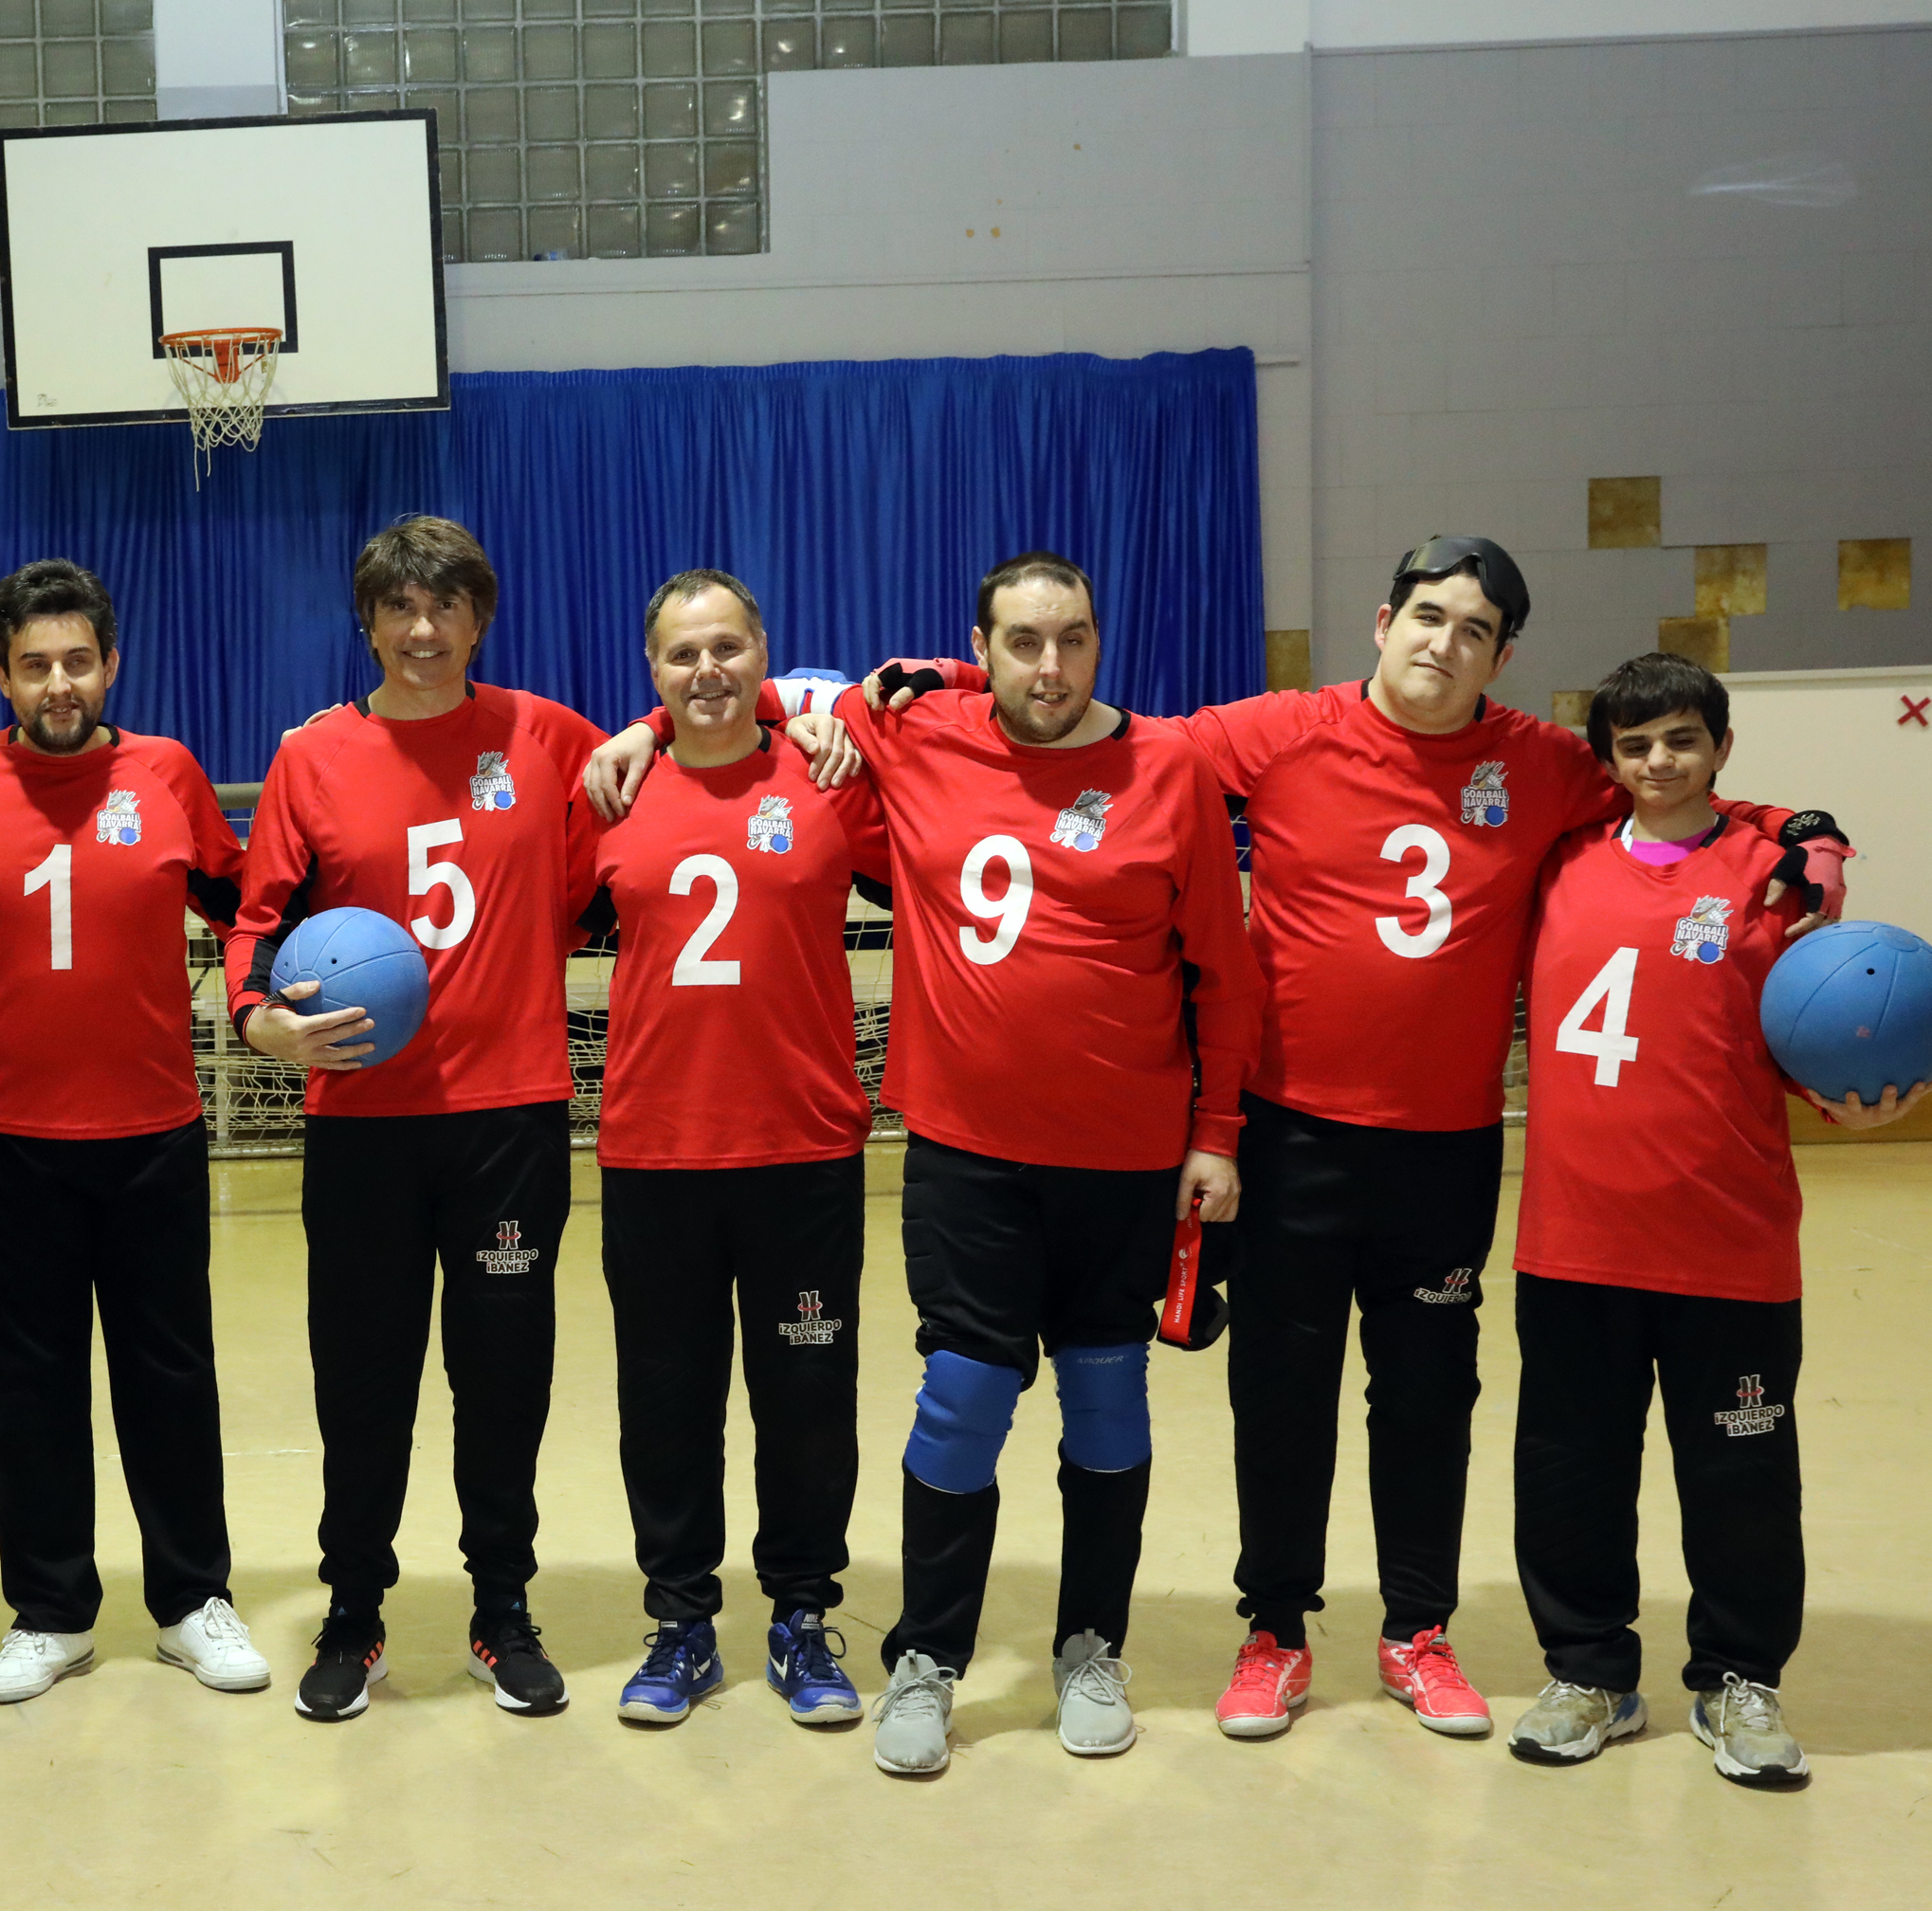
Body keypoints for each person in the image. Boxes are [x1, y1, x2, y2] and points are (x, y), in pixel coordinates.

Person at [582, 533, 1850, 1743]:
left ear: (1502, 654)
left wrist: (1799, 830)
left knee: (1377, 1399)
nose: (1444, 643)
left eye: (1475, 629)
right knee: (1168, 1397)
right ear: (1382, 622)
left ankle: (1363, 1630)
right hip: (1173, 1141)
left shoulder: (1518, 761)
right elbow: (777, 704)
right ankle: (1160, 1634)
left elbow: (1669, 782)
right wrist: (690, 724)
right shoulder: (1235, 730)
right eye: (1426, 616)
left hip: (1377, 1143)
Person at [831, 555, 1259, 1777]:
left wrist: (1217, 1135)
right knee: (962, 1400)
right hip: (968, 1153)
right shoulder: (921, 735)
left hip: (1126, 1161)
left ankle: (1089, 1645)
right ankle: (928, 1656)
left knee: (1108, 1401)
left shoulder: (1169, 765)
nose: (1051, 667)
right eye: (1021, 643)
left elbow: (1223, 975)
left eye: (1072, 638)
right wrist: (644, 734)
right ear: (983, 645)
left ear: (1100, 639)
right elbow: (746, 697)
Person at [1505, 652, 1922, 1786]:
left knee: (1742, 1480)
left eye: (1681, 738)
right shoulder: (1558, 860)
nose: (1657, 762)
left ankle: (1741, 1680)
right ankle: (1589, 1670)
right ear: (1609, 759)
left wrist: (1853, 1091)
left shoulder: (1774, 878)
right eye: (1634, 745)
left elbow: (1802, 1034)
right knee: (1570, 1469)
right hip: (1575, 1240)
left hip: (1729, 1243)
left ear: (1721, 745)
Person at [224, 515, 604, 1721]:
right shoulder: (314, 758)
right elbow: (255, 923)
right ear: (369, 621)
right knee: (365, 1376)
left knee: (505, 1374)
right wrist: (255, 1019)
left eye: (446, 607)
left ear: (479, 618)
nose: (423, 629)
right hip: (364, 1121)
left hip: (509, 1118)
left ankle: (502, 1607)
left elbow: (660, 776)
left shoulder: (545, 734)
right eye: (400, 607)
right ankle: (354, 1606)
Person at [0, 560, 269, 1704]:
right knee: (28, 1380)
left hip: (152, 1129)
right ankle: (52, 1608)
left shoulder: (166, 772)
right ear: (2, 671)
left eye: (77, 661)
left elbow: (242, 898)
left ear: (110, 662)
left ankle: (189, 1599)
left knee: (170, 1373)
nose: (57, 683)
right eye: (33, 664)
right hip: (5, 1138)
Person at [577, 571, 892, 1728]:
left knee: (808, 1393)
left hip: (802, 1148)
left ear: (765, 654)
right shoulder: (611, 787)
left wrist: (825, 720)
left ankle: (804, 1614)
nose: (705, 670)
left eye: (725, 648)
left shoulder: (828, 775)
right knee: (666, 1399)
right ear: (650, 671)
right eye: (679, 656)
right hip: (656, 1151)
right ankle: (681, 1621)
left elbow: (934, 735)